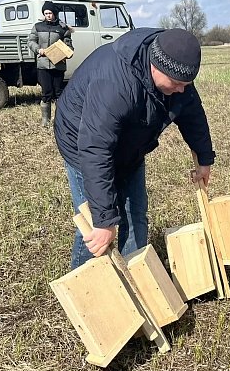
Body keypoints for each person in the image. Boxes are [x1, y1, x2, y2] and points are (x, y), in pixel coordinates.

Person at [54, 28, 215, 269]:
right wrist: (104, 220)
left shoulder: (177, 75)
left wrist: (204, 159)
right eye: (177, 84)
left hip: (130, 147)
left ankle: (138, 278)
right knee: (95, 229)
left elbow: (192, 114)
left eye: (186, 84)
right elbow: (95, 149)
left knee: (135, 214)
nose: (182, 89)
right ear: (155, 67)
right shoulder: (114, 83)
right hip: (82, 143)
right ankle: (85, 290)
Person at [28, 1, 72, 127]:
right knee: (46, 93)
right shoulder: (37, 27)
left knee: (59, 93)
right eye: (46, 13)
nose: (48, 15)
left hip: (58, 66)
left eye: (50, 13)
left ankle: (60, 120)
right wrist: (38, 49)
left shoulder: (63, 28)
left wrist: (67, 52)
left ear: (55, 13)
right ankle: (45, 121)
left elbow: (69, 45)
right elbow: (31, 41)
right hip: (43, 65)